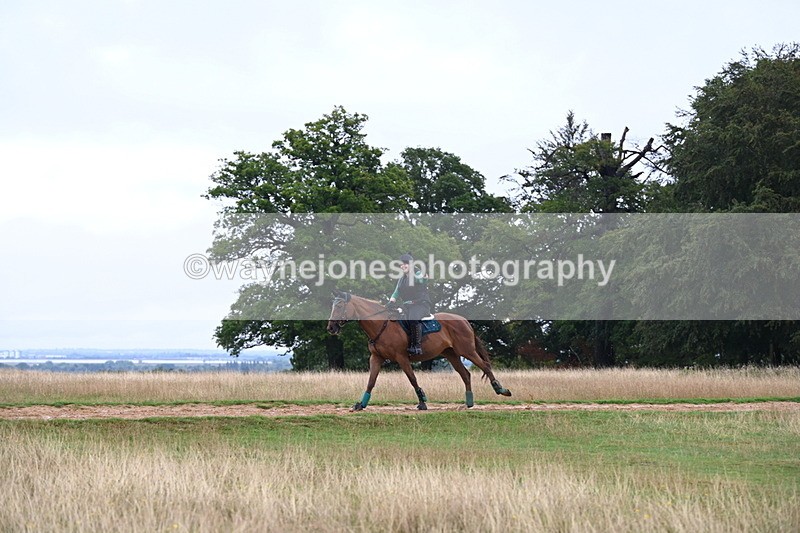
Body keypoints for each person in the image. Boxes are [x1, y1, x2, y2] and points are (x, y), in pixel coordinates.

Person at [389, 253, 431, 355]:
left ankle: (417, 346)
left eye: (405, 264)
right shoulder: (401, 279)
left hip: (421, 304)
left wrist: (424, 277)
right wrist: (390, 302)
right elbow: (396, 292)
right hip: (407, 306)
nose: (402, 266)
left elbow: (421, 279)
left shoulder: (417, 273)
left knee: (413, 319)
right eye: (401, 264)